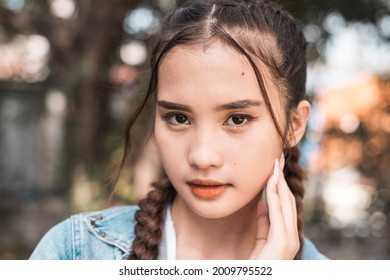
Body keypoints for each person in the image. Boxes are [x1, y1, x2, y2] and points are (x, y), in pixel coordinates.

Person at [30, 0, 327, 260]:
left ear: (294, 125)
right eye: (178, 118)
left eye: (237, 119)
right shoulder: (75, 253)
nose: (201, 156)